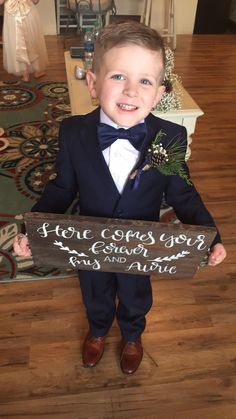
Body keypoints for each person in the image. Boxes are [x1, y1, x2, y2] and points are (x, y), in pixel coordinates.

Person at [13, 21, 226, 374]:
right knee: (94, 291)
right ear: (94, 84)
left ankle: (132, 335)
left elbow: (182, 192)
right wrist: (35, 231)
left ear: (158, 93)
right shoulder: (74, 132)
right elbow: (62, 188)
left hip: (141, 245)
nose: (131, 91)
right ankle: (97, 330)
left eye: (144, 81)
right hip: (90, 242)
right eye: (118, 77)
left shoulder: (170, 136)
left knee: (135, 294)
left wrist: (211, 234)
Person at [0, 0, 48, 82]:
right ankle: (37, 71)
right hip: (28, 11)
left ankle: (25, 74)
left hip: (12, 13)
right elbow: (36, 1)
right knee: (32, 39)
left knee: (17, 42)